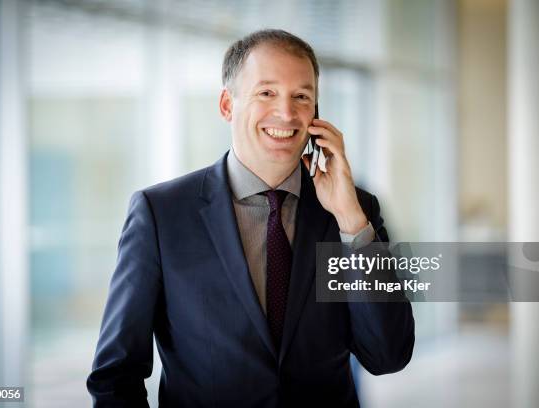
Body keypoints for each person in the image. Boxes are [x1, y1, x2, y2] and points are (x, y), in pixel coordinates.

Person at [87, 29, 414, 407]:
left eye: (302, 97)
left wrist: (351, 224)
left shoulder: (355, 211)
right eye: (267, 93)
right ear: (227, 105)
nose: (286, 113)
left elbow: (389, 355)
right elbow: (116, 375)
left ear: (317, 115)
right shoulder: (161, 215)